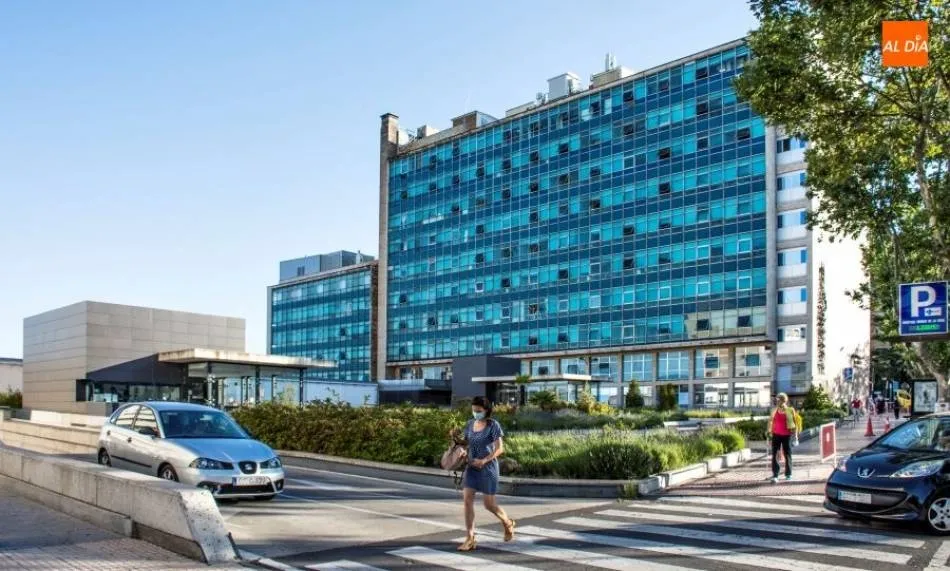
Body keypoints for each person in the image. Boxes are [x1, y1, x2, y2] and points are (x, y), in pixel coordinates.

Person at [449, 397, 515, 551]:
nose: (475, 413)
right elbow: (466, 442)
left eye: (478, 411)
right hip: (472, 467)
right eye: (474, 410)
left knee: (489, 505)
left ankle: (507, 522)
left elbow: (500, 449)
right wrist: (455, 438)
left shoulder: (493, 425)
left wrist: (484, 460)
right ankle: (470, 538)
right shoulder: (470, 424)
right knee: (467, 501)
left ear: (486, 410)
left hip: (488, 468)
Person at [767, 393, 799, 483]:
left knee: (787, 454)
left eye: (778, 399)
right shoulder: (774, 410)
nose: (776, 401)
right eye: (776, 399)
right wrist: (769, 433)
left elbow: (795, 423)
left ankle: (788, 474)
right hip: (776, 435)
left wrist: (796, 436)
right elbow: (770, 421)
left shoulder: (790, 410)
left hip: (786, 435)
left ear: (783, 400)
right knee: (775, 455)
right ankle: (775, 475)